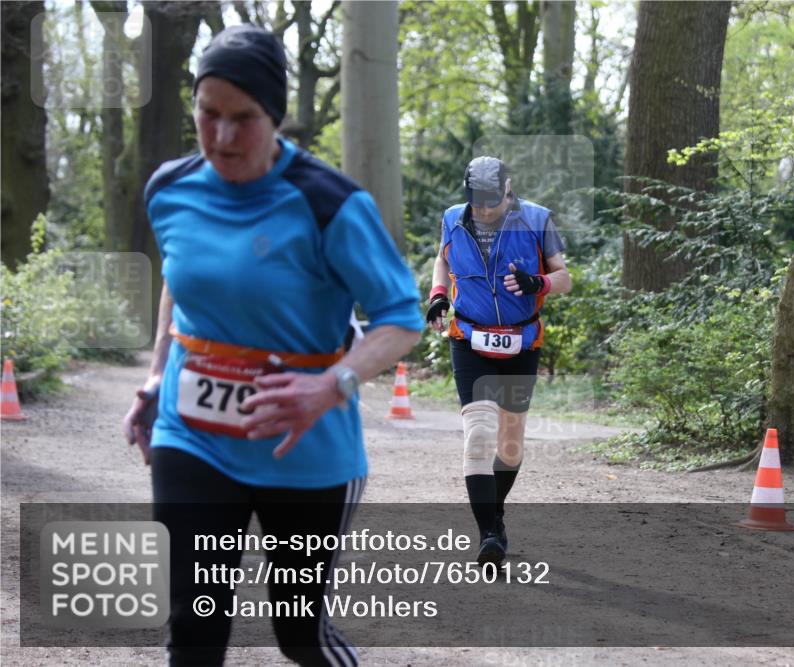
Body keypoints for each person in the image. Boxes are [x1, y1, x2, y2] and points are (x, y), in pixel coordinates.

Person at [121, 25, 423, 666]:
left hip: (305, 447)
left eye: (244, 119)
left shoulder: (329, 203)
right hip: (192, 434)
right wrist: (154, 381)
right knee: (193, 624)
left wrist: (331, 385)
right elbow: (180, 281)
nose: (223, 137)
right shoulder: (169, 190)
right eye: (208, 114)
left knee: (299, 633)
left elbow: (402, 317)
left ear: (275, 117)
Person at [426, 156, 571, 566]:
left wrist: (536, 282)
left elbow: (564, 277)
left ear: (508, 189)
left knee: (509, 447)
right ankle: (488, 534)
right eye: (477, 202)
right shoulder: (454, 217)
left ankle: (496, 514)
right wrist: (438, 295)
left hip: (521, 344)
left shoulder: (539, 220)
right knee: (477, 435)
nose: (484, 210)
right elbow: (442, 258)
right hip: (469, 339)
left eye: (491, 201)